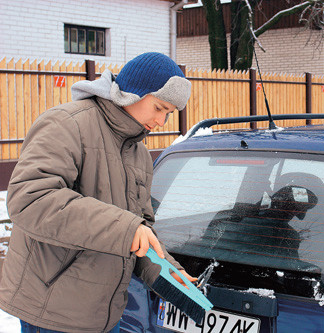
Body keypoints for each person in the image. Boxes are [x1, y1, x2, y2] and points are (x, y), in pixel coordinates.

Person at [0, 52, 196, 332]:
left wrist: (167, 273)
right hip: (53, 311)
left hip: (105, 314)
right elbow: (30, 199)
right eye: (159, 107)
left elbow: (138, 232)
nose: (162, 122)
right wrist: (127, 229)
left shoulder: (138, 153)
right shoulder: (68, 124)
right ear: (133, 93)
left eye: (169, 113)